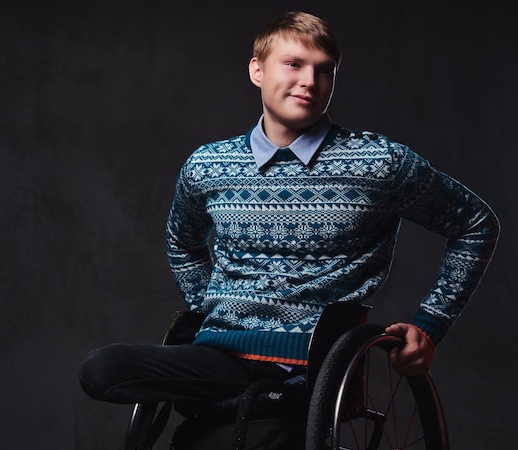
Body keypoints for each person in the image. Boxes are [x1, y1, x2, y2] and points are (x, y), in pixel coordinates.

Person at [79, 11, 499, 409]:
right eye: (294, 64)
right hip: (220, 357)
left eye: (324, 69)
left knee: (243, 438)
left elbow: (475, 225)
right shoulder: (208, 165)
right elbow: (181, 241)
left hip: (315, 369)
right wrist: (205, 305)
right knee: (103, 369)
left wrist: (429, 327)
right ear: (257, 70)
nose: (310, 81)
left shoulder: (379, 162)